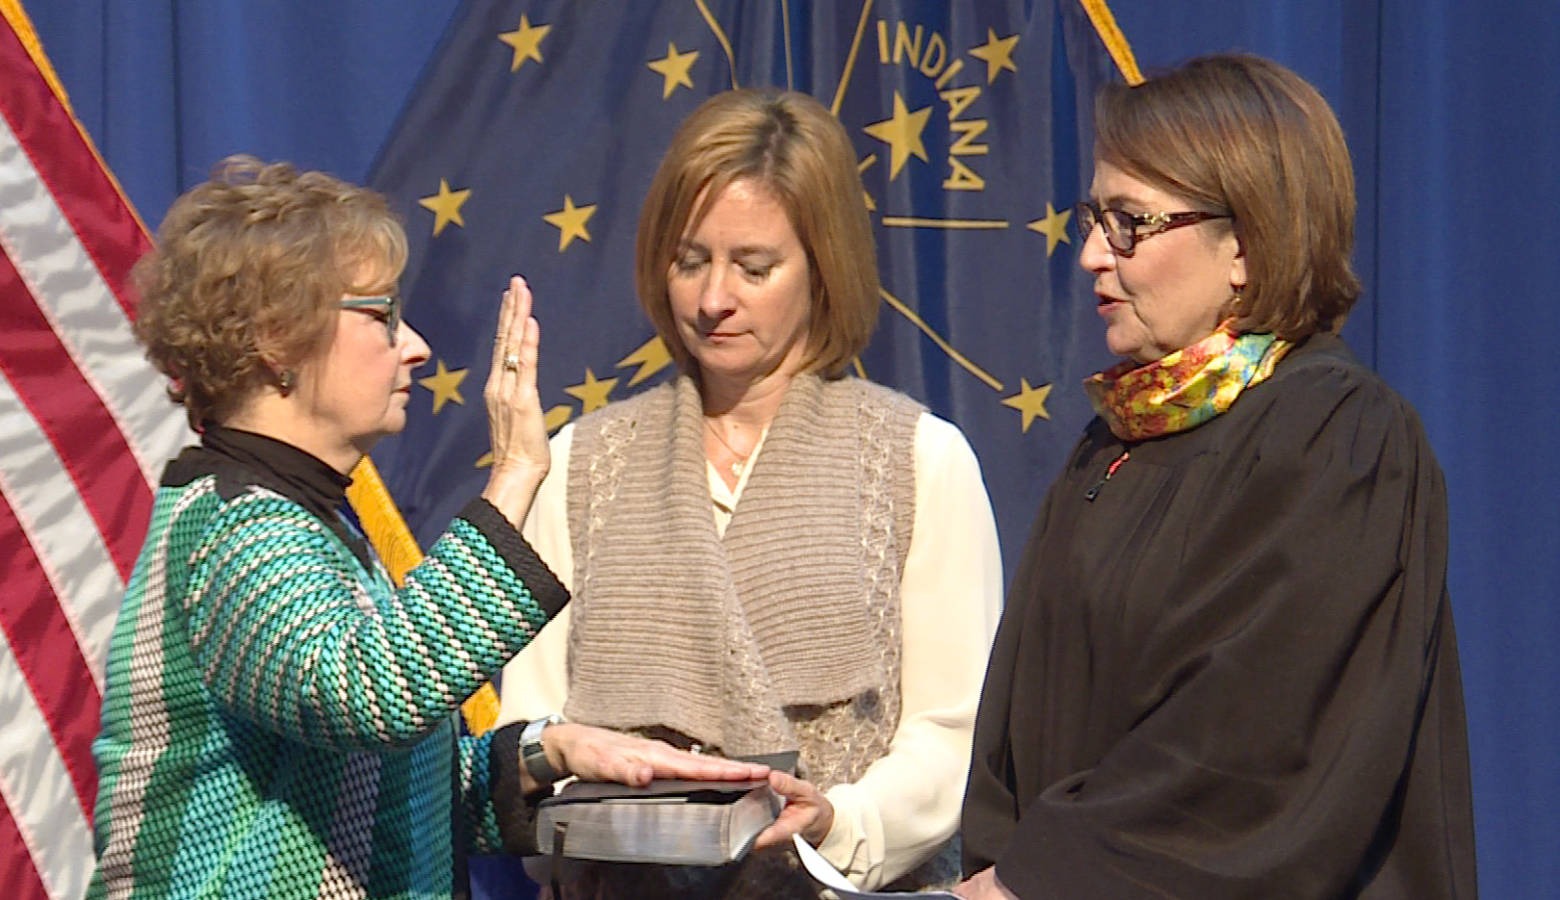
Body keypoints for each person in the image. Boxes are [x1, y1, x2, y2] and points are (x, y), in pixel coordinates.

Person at [87, 157, 768, 900]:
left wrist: (551, 751)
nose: (414, 345)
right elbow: (368, 692)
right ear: (277, 339)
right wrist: (512, 474)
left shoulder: (302, 521)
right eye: (381, 316)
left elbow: (376, 793)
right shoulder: (234, 527)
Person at [955, 55, 1477, 899]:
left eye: (1129, 222)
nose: (1091, 252)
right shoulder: (1111, 445)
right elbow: (1017, 740)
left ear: (1245, 244)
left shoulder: (1339, 436)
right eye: (1094, 216)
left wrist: (1043, 877)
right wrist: (998, 869)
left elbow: (1257, 740)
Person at [496, 88, 1003, 895]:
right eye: (689, 261)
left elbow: (954, 733)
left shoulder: (920, 461)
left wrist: (839, 822)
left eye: (754, 267)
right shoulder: (581, 465)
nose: (712, 300)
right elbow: (527, 726)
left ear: (824, 265)